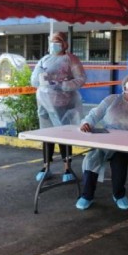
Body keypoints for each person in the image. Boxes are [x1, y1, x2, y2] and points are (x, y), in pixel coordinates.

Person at [77, 74, 128, 210]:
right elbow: (95, 114)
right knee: (92, 157)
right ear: (125, 88)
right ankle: (87, 195)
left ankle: (119, 194)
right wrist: (86, 123)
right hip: (106, 142)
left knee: (119, 159)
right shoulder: (111, 100)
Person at [31, 32, 87, 182]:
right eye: (52, 42)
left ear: (64, 44)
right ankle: (46, 166)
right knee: (47, 136)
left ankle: (67, 168)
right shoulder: (44, 59)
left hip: (64, 104)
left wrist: (62, 85)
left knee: (64, 135)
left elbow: (81, 78)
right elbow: (34, 80)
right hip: (45, 104)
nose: (54, 45)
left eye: (57, 42)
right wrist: (42, 79)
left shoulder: (71, 59)